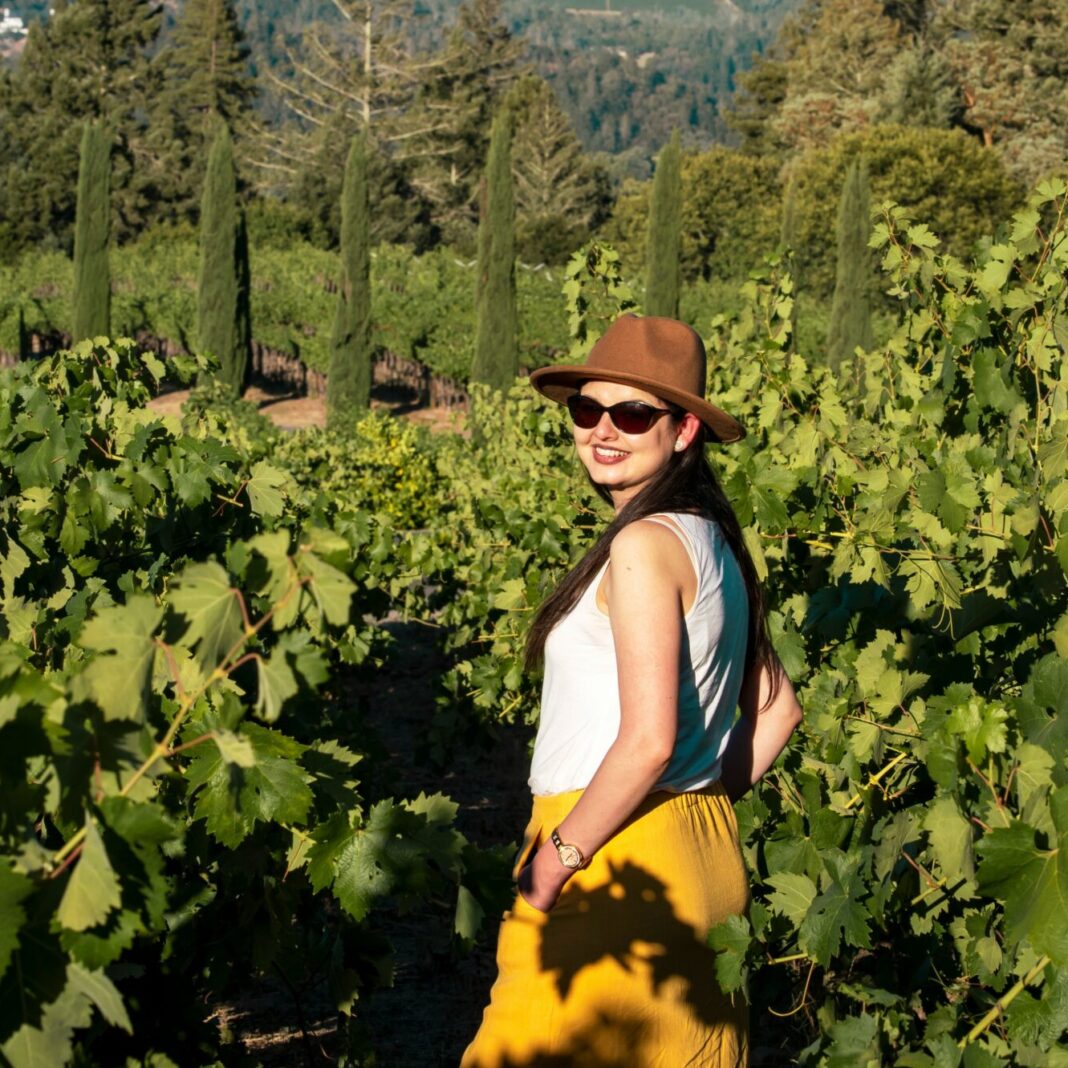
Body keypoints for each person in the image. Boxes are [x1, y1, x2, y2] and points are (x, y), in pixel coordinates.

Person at [460, 313, 803, 1068]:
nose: (603, 430)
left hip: (611, 857)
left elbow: (647, 741)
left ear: (683, 432)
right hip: (700, 854)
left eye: (633, 413)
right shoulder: (712, 538)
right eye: (589, 409)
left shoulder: (645, 545)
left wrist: (553, 863)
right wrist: (700, 795)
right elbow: (779, 708)